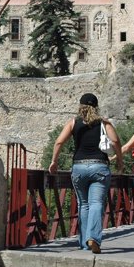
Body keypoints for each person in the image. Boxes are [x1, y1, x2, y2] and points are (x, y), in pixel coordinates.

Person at [49, 93, 124, 254]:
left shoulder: (73, 123)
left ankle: (84, 243)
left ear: (80, 106)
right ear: (96, 107)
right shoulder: (104, 123)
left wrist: (54, 161)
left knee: (84, 205)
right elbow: (116, 141)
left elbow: (59, 141)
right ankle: (94, 238)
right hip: (99, 166)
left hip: (79, 167)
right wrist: (119, 160)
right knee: (96, 203)